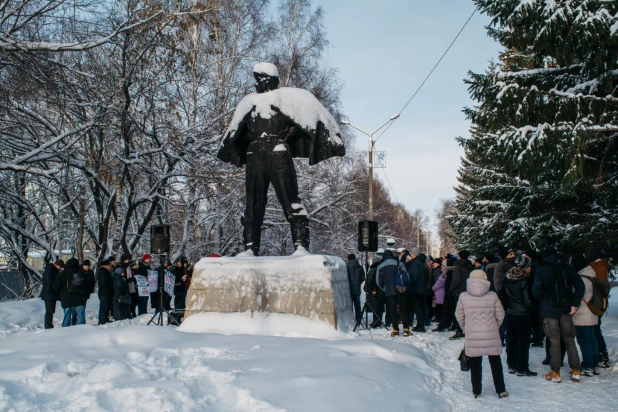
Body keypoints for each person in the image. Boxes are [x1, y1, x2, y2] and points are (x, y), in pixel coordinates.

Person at [216, 62, 344, 255]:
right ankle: (250, 249)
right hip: (254, 155)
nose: (257, 82)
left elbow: (307, 116)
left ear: (271, 79)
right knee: (253, 203)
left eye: (261, 78)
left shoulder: (284, 98)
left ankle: (301, 247)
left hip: (278, 152)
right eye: (256, 78)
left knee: (289, 198)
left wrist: (292, 133)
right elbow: (236, 132)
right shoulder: (248, 102)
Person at [532, 247, 585, 383]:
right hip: (566, 309)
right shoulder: (567, 268)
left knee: (554, 340)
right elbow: (580, 285)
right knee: (569, 339)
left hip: (549, 310)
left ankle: (555, 372)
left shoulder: (542, 270)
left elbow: (536, 292)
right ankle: (576, 370)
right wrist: (574, 303)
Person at [455, 270, 508, 399]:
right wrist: (494, 327)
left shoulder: (463, 296)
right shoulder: (493, 295)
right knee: (495, 362)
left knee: (475, 364)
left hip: (473, 335)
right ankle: (501, 390)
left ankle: (476, 391)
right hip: (491, 334)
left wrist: (466, 328)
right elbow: (500, 315)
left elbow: (459, 315)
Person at [505, 256, 537, 376]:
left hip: (510, 311)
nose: (530, 268)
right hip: (523, 313)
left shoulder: (507, 277)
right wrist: (533, 307)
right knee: (523, 341)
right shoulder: (524, 280)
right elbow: (527, 300)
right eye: (529, 266)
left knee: (511, 338)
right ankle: (522, 367)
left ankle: (511, 364)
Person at [571, 255, 600, 376]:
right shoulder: (592, 274)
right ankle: (594, 365)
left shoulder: (581, 278)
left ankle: (588, 365)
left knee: (584, 340)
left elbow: (578, 296)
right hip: (593, 312)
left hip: (583, 313)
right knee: (593, 339)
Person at [584, 246, 611, 368]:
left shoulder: (597, 267)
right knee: (596, 329)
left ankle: (603, 355)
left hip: (596, 302)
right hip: (599, 302)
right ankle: (602, 355)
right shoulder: (599, 265)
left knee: (595, 330)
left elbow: (603, 287)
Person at [377, 249, 411, 337]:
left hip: (390, 292)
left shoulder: (380, 266)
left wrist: (385, 289)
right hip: (401, 290)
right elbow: (407, 276)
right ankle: (406, 329)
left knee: (392, 310)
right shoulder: (399, 263)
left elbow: (378, 281)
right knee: (404, 309)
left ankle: (395, 329)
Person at [52, 258, 92, 327]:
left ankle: (66, 331)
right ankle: (82, 330)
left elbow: (55, 287)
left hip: (66, 298)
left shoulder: (62, 274)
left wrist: (60, 294)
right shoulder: (82, 273)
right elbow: (88, 285)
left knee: (67, 315)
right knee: (80, 314)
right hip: (80, 298)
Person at [449, 250, 473, 340]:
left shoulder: (458, 266)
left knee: (459, 311)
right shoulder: (470, 265)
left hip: (459, 291)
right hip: (468, 290)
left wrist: (451, 288)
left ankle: (459, 330)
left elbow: (456, 280)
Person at [406, 247, 426, 332]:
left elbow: (414, 276)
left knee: (417, 307)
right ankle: (420, 324)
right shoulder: (420, 262)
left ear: (414, 254)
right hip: (420, 288)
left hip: (416, 289)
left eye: (411, 253)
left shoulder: (415, 263)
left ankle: (420, 325)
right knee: (418, 308)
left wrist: (409, 284)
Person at [40, 259, 64, 329]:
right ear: (57, 265)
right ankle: (48, 326)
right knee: (49, 311)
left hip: (50, 294)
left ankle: (49, 325)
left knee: (50, 311)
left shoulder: (51, 270)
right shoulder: (51, 271)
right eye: (60, 267)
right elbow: (51, 283)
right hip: (49, 294)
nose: (60, 269)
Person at [434, 258, 456, 332]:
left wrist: (433, 288)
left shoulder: (447, 272)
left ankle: (442, 326)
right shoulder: (455, 270)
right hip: (452, 293)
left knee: (446, 310)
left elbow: (440, 281)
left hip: (448, 292)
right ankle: (450, 324)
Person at [365, 256, 384, 328]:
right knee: (379, 307)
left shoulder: (373, 269)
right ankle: (378, 321)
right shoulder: (381, 267)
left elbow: (369, 280)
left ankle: (375, 321)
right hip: (381, 290)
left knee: (374, 307)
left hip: (373, 290)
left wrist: (366, 288)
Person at [346, 254, 365, 323]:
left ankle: (350, 319)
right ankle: (358, 319)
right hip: (357, 288)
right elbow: (363, 278)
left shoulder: (346, 267)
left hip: (349, 289)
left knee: (349, 305)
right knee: (357, 304)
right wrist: (358, 282)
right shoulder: (360, 267)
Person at [97, 259, 114, 325]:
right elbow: (105, 284)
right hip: (104, 293)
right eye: (109, 265)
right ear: (105, 266)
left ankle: (104, 320)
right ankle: (102, 321)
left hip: (105, 293)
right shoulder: (103, 273)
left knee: (105, 308)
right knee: (103, 308)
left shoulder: (104, 272)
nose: (110, 267)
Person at [431, 259, 446, 324]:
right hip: (439, 290)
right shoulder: (440, 271)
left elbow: (439, 281)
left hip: (439, 290)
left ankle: (439, 318)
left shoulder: (439, 272)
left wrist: (433, 288)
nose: (433, 264)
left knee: (438, 305)